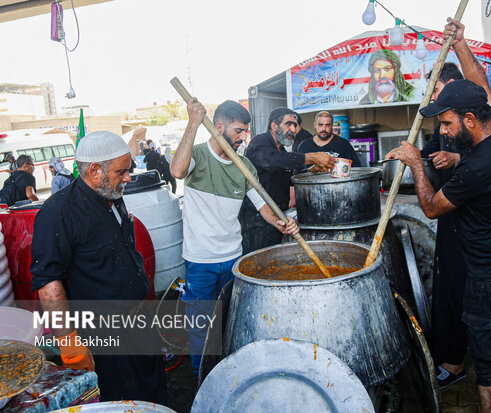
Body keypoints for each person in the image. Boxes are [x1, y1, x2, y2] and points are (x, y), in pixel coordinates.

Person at [386, 18, 491, 413]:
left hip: (487, 276)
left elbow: (431, 208)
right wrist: (461, 44)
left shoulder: (475, 170)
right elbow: (481, 83)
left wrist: (415, 163)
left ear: (468, 120)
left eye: (446, 123)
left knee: (487, 357)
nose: (443, 131)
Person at [30, 131, 166, 403]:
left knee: (153, 389)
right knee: (122, 399)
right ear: (95, 170)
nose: (128, 177)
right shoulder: (58, 212)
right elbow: (48, 282)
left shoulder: (113, 193)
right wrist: (69, 342)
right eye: (121, 171)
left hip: (136, 321)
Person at [169, 99, 300, 372]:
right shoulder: (198, 156)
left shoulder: (244, 166)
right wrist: (193, 122)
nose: (244, 137)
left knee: (229, 321)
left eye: (245, 131)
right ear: (219, 127)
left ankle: (228, 375)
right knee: (202, 328)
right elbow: (177, 171)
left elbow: (262, 205)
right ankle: (200, 380)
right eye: (239, 131)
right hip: (200, 260)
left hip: (233, 258)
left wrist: (281, 223)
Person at [418, 62, 469, 389]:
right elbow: (435, 152)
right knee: (445, 285)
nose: (433, 96)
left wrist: (457, 159)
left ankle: (456, 363)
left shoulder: (470, 120)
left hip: (466, 216)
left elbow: (490, 159)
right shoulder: (444, 122)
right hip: (450, 213)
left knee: (458, 289)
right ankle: (447, 355)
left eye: (435, 89)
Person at [240, 107, 334, 254]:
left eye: (295, 125)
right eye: (289, 124)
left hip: (278, 217)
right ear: (274, 126)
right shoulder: (260, 141)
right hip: (257, 221)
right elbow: (270, 161)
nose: (293, 129)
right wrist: (311, 157)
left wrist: (310, 170)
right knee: (259, 263)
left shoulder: (282, 151)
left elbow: (288, 178)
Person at [297, 111, 361, 167]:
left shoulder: (343, 144)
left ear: (332, 125)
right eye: (320, 125)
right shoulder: (304, 146)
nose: (324, 129)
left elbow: (356, 169)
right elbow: (297, 173)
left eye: (327, 125)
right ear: (315, 125)